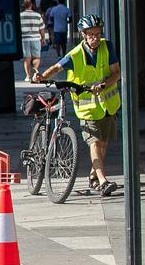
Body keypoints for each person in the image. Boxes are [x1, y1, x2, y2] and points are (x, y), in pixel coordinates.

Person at [33, 14, 121, 196]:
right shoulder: (75, 54)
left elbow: (116, 73)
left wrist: (104, 84)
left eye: (97, 33)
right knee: (94, 143)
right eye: (91, 34)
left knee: (103, 144)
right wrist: (42, 76)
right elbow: (57, 68)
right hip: (87, 109)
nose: (95, 38)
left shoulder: (107, 47)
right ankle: (103, 181)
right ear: (83, 34)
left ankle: (94, 176)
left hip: (108, 106)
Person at [19, 0, 47, 82]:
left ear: (23, 5)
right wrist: (43, 38)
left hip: (24, 39)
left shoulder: (20, 16)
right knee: (37, 57)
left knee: (27, 58)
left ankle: (28, 76)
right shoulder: (38, 15)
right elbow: (42, 28)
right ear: (31, 5)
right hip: (35, 38)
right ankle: (35, 72)